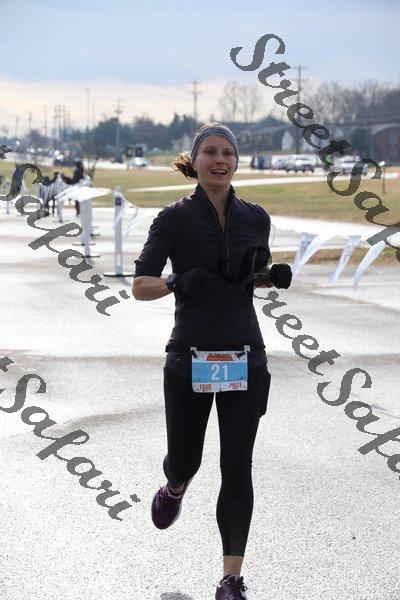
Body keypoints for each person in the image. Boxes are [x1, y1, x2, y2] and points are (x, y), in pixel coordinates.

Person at [132, 122, 292, 600]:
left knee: (237, 465)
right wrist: (176, 282)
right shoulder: (172, 219)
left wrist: (271, 276)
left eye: (227, 153)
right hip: (190, 356)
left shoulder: (255, 218)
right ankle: (174, 486)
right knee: (186, 459)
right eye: (210, 152)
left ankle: (231, 578)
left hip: (245, 354)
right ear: (195, 160)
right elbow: (140, 286)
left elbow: (250, 275)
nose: (219, 160)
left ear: (236, 162)